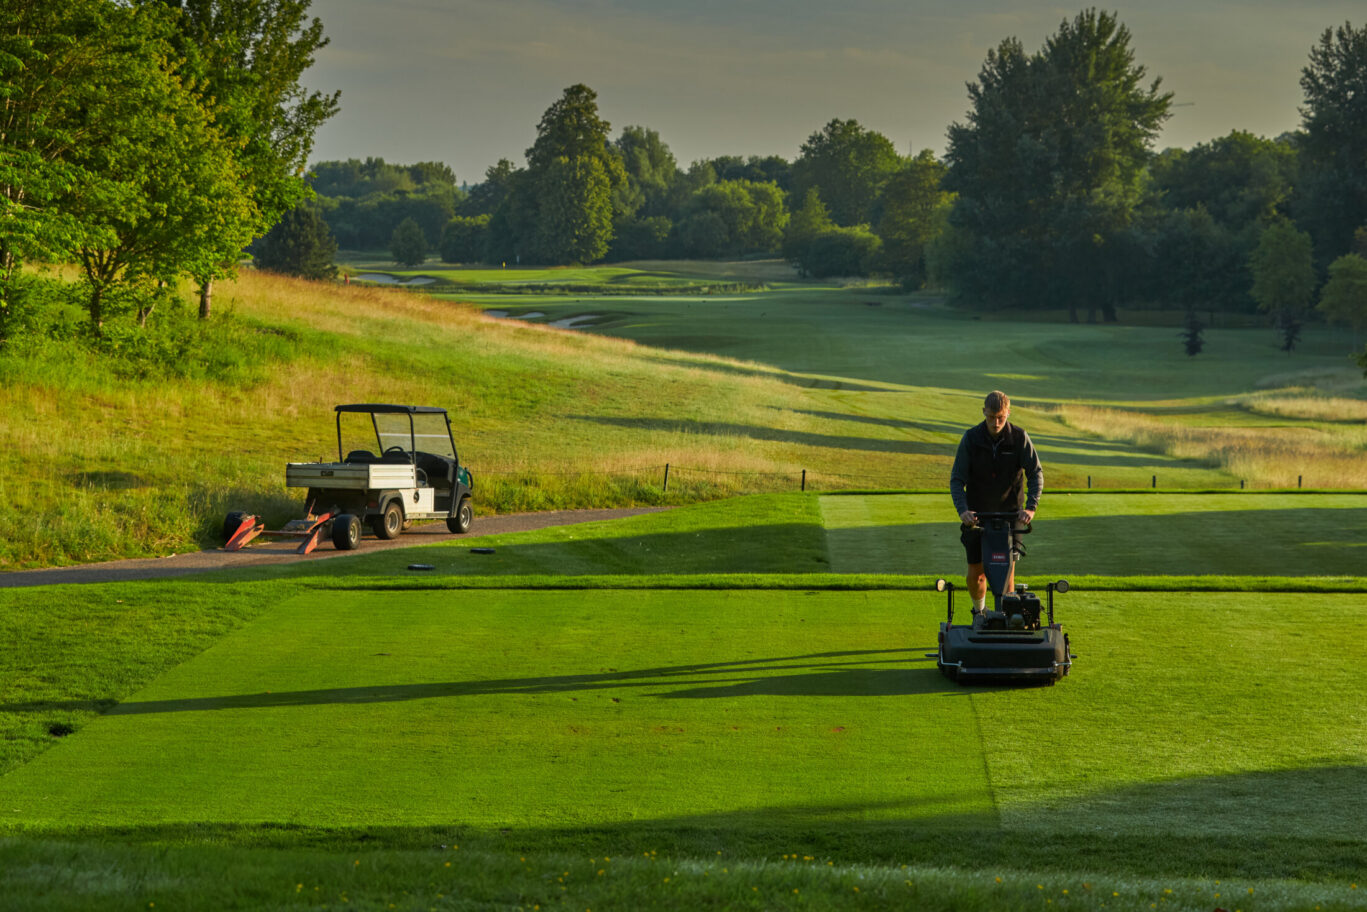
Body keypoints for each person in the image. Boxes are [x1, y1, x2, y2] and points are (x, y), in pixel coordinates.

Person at [949, 390, 1043, 616]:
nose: (996, 422)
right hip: (978, 517)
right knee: (976, 571)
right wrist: (963, 511)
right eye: (991, 417)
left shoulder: (1020, 438)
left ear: (1008, 413)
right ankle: (979, 613)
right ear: (984, 412)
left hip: (1011, 515)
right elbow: (957, 480)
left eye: (1001, 417)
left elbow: (1036, 473)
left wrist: (1030, 507)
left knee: (1006, 572)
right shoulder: (971, 438)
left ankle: (1006, 618)